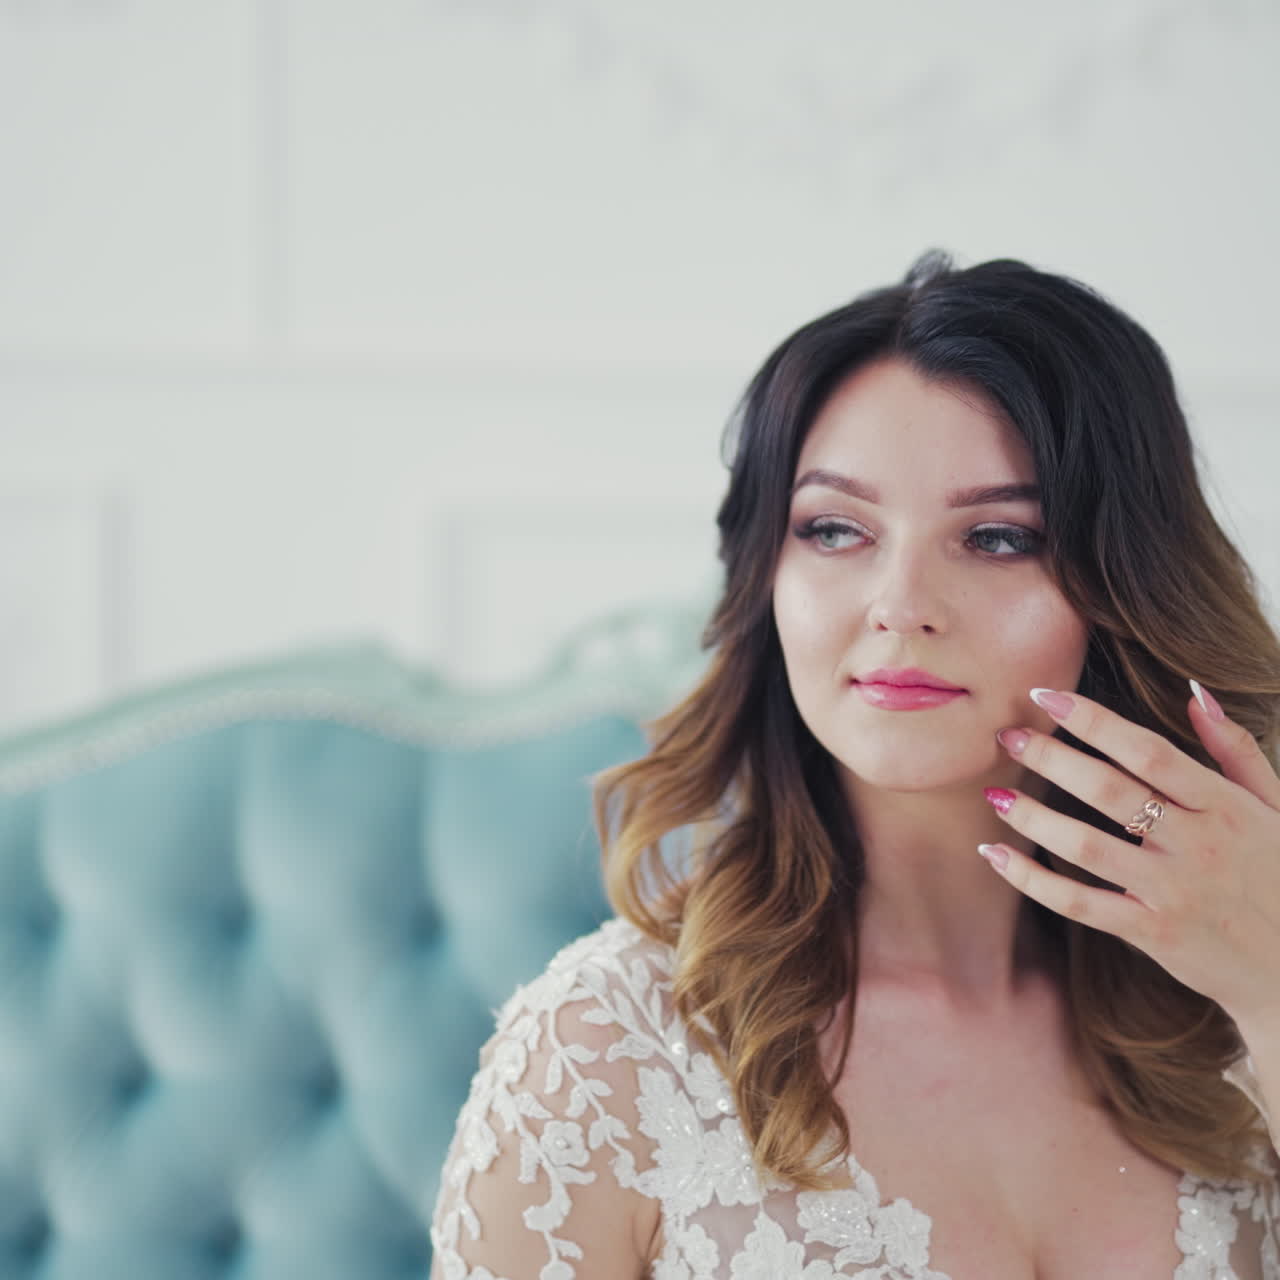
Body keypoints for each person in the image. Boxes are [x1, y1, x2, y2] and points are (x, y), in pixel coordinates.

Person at [429, 251, 1280, 1278]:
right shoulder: (604, 1054)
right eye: (833, 528)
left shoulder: (1234, 998)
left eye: (999, 537)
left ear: (1123, 587)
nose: (898, 600)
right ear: (765, 580)